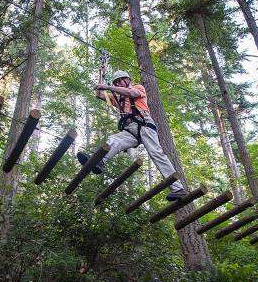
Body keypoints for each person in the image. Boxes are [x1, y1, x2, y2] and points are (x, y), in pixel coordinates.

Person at [77, 70, 187, 201]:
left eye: (120, 81)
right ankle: (99, 162)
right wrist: (102, 74)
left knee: (156, 153)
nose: (118, 83)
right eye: (116, 82)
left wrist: (108, 86)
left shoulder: (138, 88)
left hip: (144, 124)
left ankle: (178, 188)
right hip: (130, 130)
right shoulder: (119, 99)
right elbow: (100, 95)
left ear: (127, 80)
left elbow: (131, 93)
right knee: (114, 140)